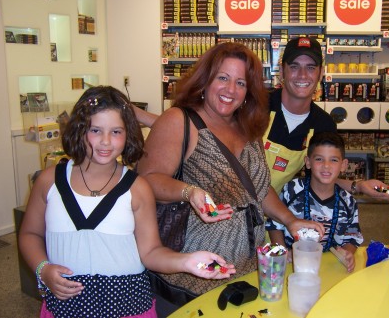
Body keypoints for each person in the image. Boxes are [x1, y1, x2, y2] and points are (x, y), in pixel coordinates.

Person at [137, 42, 324, 312]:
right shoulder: (180, 121)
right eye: (222, 78)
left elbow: (258, 190)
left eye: (240, 83)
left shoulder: (249, 127)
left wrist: (290, 220)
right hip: (192, 279)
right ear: (205, 80)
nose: (230, 90)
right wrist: (189, 192)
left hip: (246, 274)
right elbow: (148, 180)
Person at [18, 86, 236, 318]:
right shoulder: (49, 181)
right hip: (64, 307)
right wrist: (43, 269)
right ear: (80, 129)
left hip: (129, 306)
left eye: (116, 132)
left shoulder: (137, 188)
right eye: (95, 130)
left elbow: (150, 251)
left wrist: (188, 261)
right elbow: (30, 234)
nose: (105, 142)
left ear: (128, 134)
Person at [263, 37, 389, 244]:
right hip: (235, 206)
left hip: (275, 216)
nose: (302, 75)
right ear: (282, 70)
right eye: (294, 66)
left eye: (311, 67)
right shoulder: (258, 107)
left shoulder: (323, 123)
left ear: (320, 73)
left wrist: (359, 186)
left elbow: (321, 174)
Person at [274, 132, 363, 272]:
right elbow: (274, 225)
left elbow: (352, 238)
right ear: (308, 162)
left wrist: (347, 252)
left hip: (330, 267)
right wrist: (283, 251)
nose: (326, 166)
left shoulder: (349, 201)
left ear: (344, 165)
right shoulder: (292, 189)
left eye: (333, 160)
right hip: (293, 265)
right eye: (319, 159)